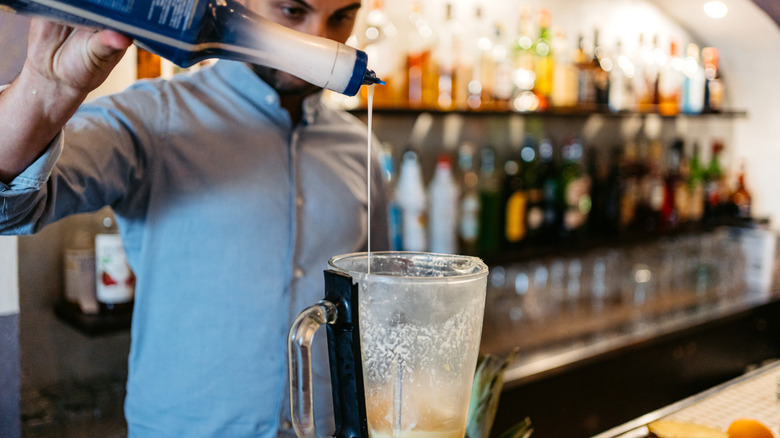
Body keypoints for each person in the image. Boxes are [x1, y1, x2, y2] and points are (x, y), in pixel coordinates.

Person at [0, 0, 389, 436]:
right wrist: (43, 90)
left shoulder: (361, 150)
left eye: (341, 16)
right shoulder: (154, 117)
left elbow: (378, 303)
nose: (319, 36)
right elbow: (11, 207)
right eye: (292, 10)